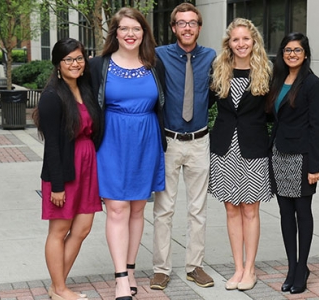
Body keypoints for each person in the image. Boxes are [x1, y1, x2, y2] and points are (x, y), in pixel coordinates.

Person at [89, 7, 166, 300]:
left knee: (137, 209)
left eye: (136, 29)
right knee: (117, 208)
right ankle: (121, 278)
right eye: (124, 29)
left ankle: (131, 269)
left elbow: (163, 105)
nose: (130, 34)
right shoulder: (99, 66)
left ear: (143, 33)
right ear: (116, 33)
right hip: (111, 141)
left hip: (146, 141)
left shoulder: (154, 65)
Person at [150, 2, 216, 290]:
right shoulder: (159, 56)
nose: (187, 27)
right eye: (181, 22)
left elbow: (212, 94)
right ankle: (161, 269)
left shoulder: (211, 56)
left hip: (200, 141)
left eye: (192, 22)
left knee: (197, 209)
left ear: (199, 27)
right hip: (169, 142)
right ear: (174, 27)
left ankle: (194, 266)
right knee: (163, 210)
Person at [33, 38, 102, 300]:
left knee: (82, 228)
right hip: (64, 167)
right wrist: (57, 186)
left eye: (79, 58)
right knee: (59, 231)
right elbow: (51, 145)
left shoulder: (85, 90)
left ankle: (57, 285)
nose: (75, 63)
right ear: (58, 64)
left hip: (87, 165)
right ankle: (60, 288)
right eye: (68, 59)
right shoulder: (51, 97)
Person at [208, 18, 273, 291]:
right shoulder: (219, 70)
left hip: (254, 148)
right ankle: (237, 268)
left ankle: (250, 269)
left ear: (254, 41)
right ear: (229, 43)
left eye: (246, 38)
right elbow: (201, 104)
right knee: (231, 208)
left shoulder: (267, 72)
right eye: (236, 39)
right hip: (224, 148)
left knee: (250, 209)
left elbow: (276, 112)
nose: (241, 43)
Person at [266, 32, 319, 294]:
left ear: (306, 54)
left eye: (297, 50)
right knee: (285, 214)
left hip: (301, 159)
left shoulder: (313, 84)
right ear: (282, 53)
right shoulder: (278, 80)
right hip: (279, 154)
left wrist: (315, 166)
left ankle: (302, 268)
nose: (292, 54)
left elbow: (317, 128)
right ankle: (292, 267)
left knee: (303, 213)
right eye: (288, 50)